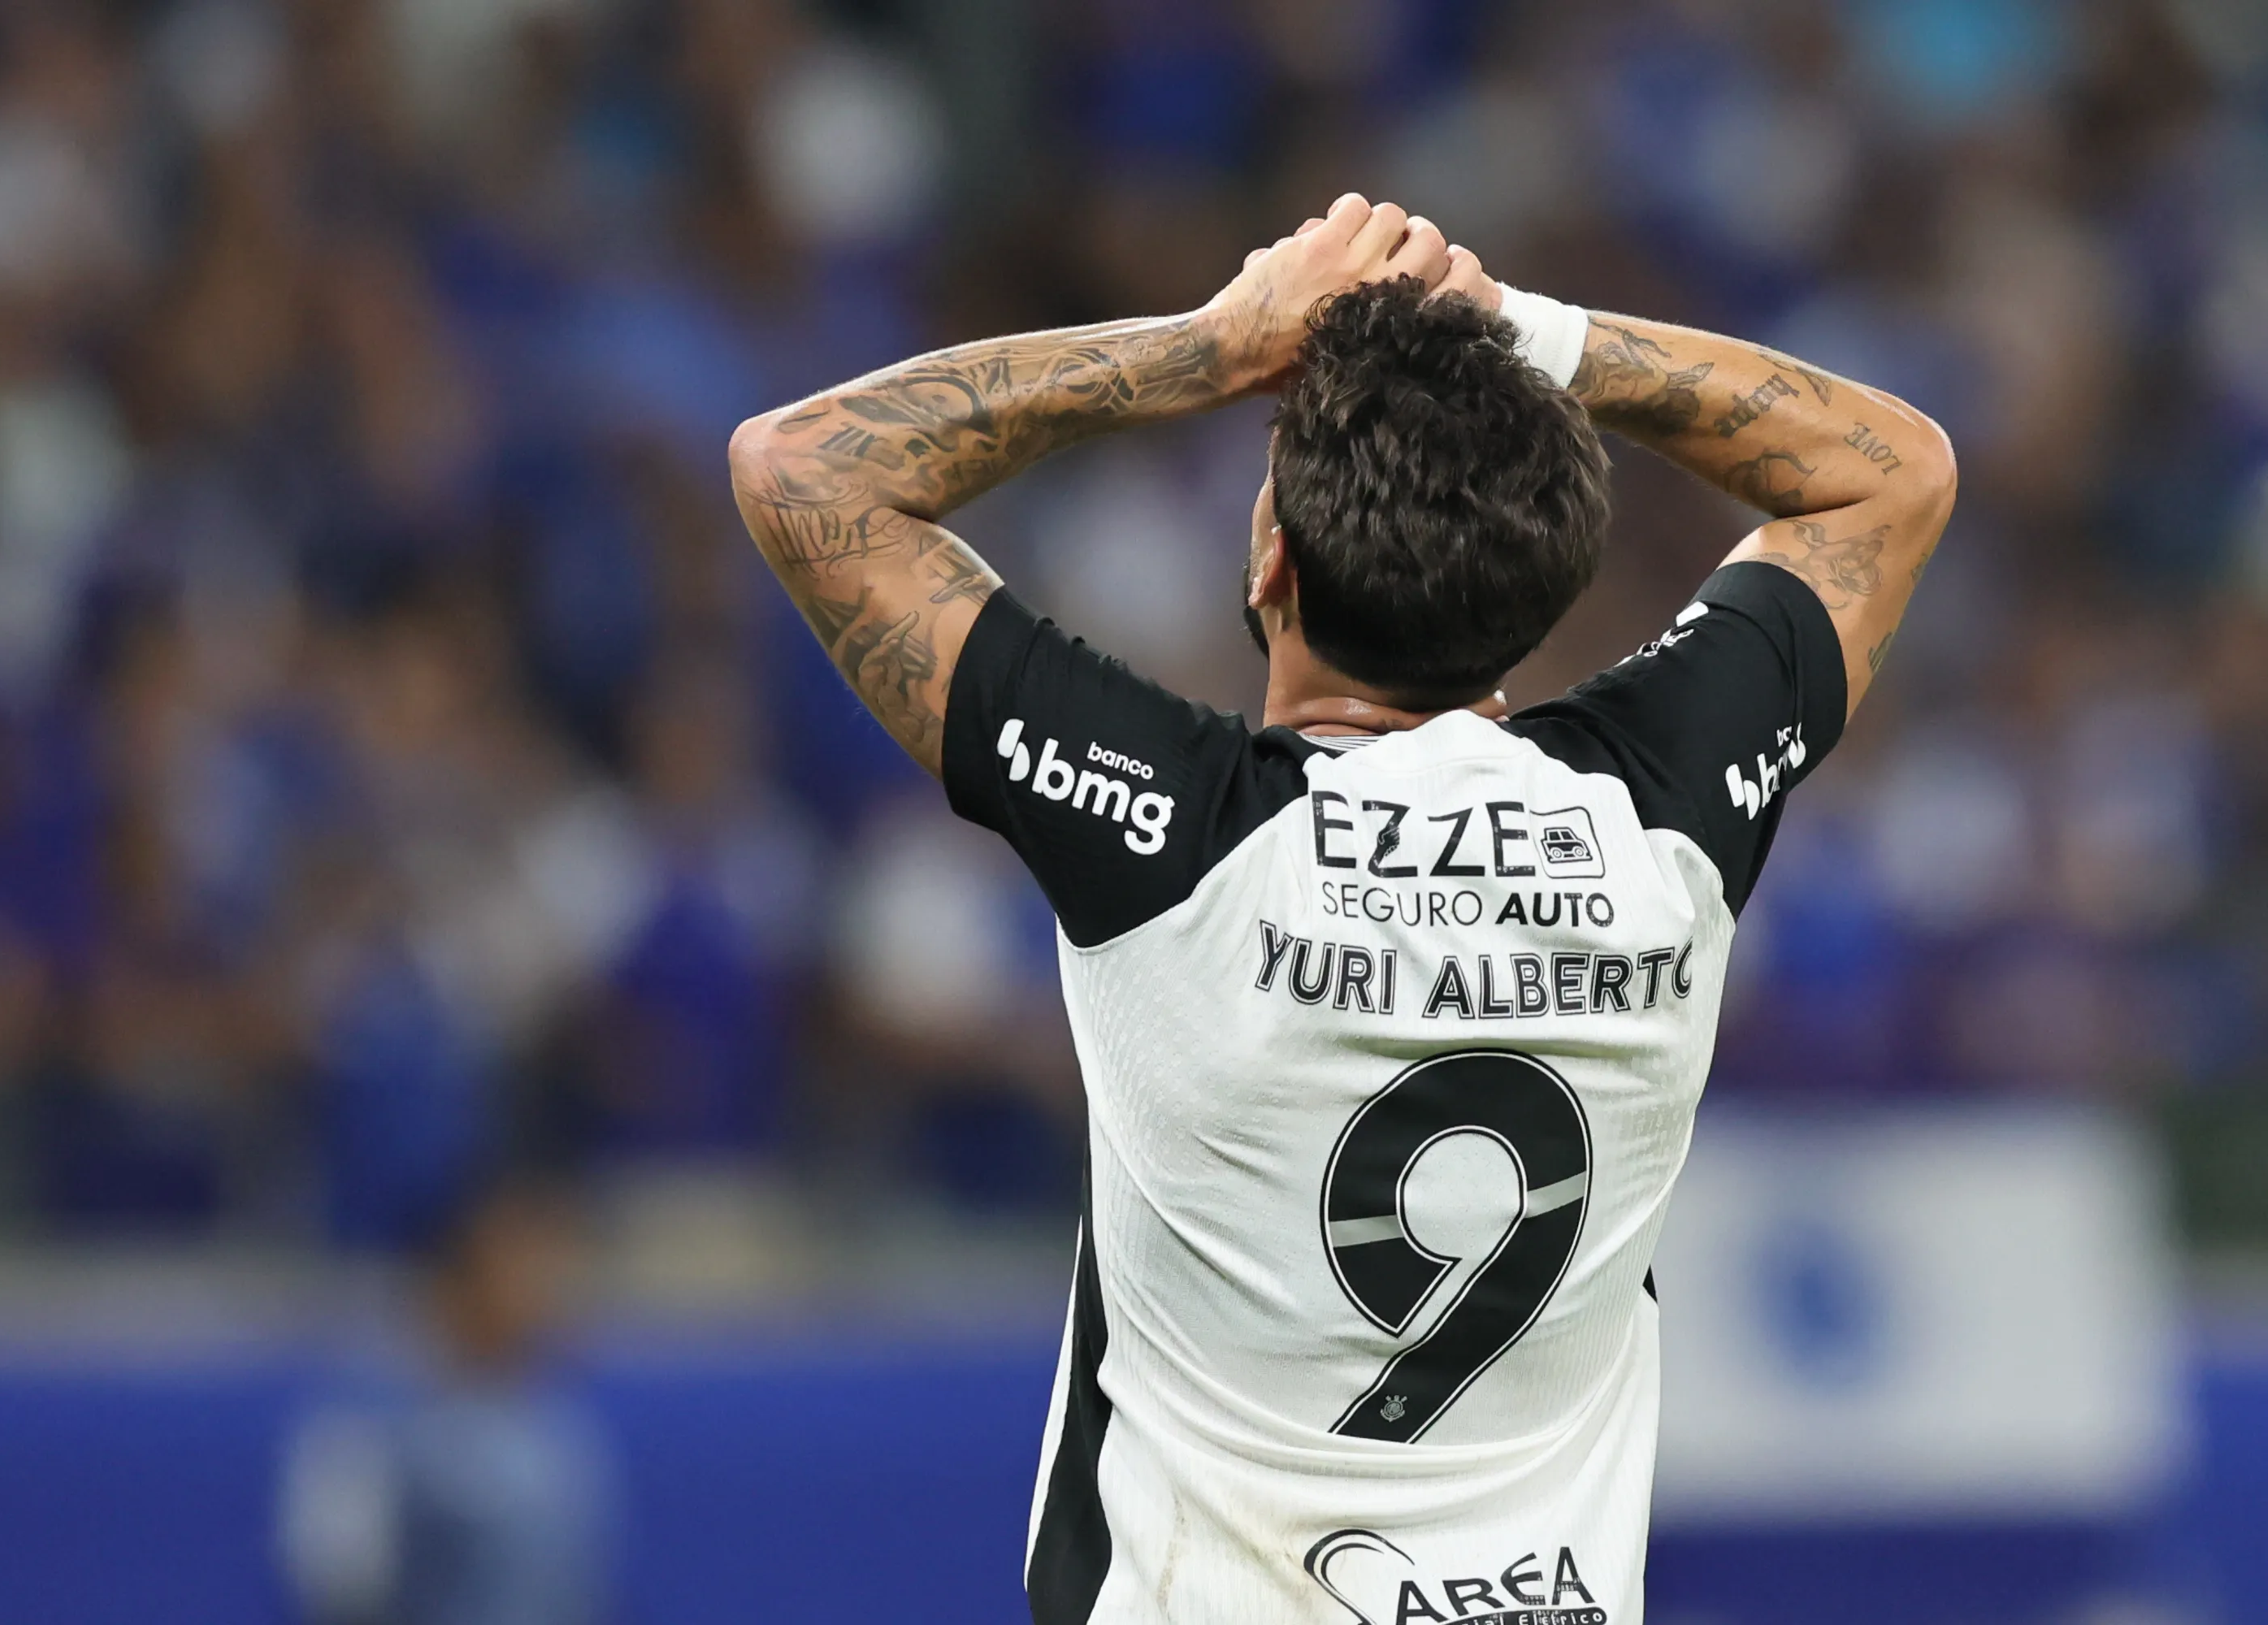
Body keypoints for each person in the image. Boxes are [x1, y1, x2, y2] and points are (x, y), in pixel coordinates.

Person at [727, 193, 1953, 1625]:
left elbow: (803, 467)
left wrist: (1211, 348)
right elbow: (1892, 474)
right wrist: (1526, 333)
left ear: (1269, 564)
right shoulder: (1659, 817)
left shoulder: (1181, 838)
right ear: (1545, 587)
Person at [279, 1178, 618, 1625]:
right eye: (516, 1270)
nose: (540, 1294)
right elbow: (341, 1591)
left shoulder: (559, 1423)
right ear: (456, 1280)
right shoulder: (363, 1424)